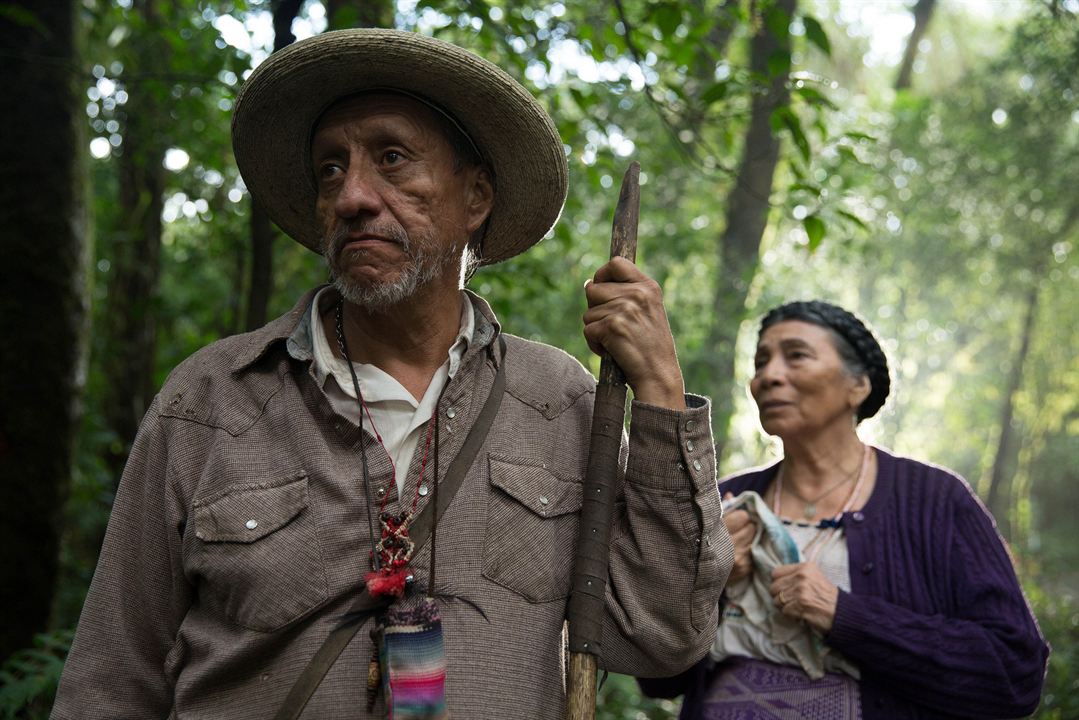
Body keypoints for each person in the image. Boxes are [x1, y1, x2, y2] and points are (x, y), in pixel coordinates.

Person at [51, 29, 733, 720]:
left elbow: (661, 638)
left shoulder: (558, 403)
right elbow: (110, 682)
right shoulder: (210, 403)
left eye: (392, 158)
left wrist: (660, 398)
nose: (352, 196)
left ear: (476, 197)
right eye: (329, 170)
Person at [639, 300, 1049, 719]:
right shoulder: (723, 500)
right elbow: (657, 679)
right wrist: (712, 587)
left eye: (796, 355)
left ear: (858, 386)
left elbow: (1014, 672)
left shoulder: (936, 500)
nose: (768, 376)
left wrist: (844, 614)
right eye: (761, 362)